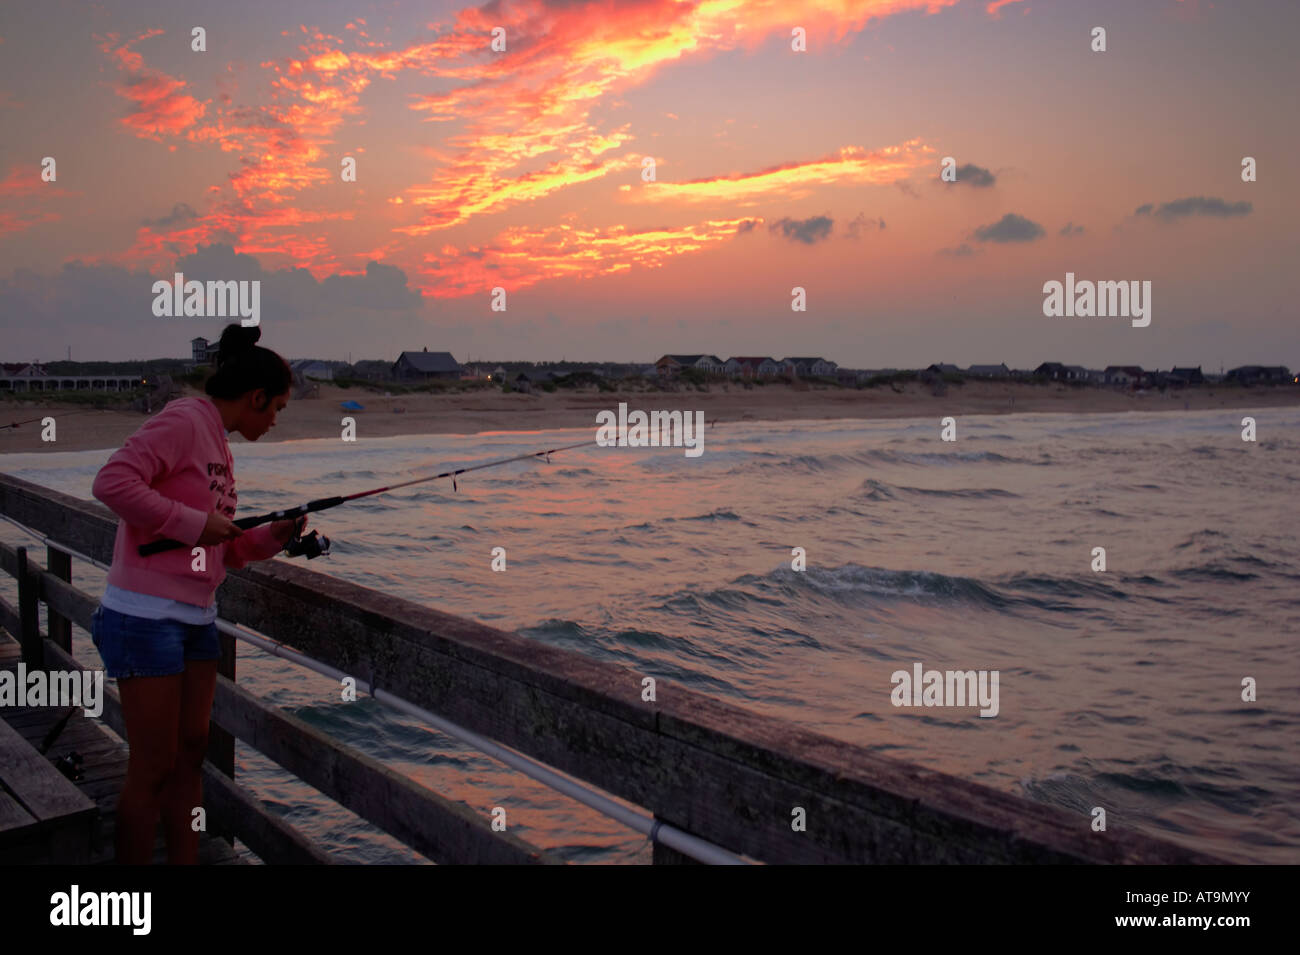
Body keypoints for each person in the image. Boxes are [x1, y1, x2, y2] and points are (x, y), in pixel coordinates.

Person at [89, 323, 305, 864]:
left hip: (196, 619)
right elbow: (112, 483)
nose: (275, 420)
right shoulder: (186, 420)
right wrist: (191, 522)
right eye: (275, 408)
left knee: (190, 756)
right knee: (153, 768)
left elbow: (221, 549)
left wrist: (267, 538)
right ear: (255, 397)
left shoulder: (220, 447)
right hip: (144, 618)